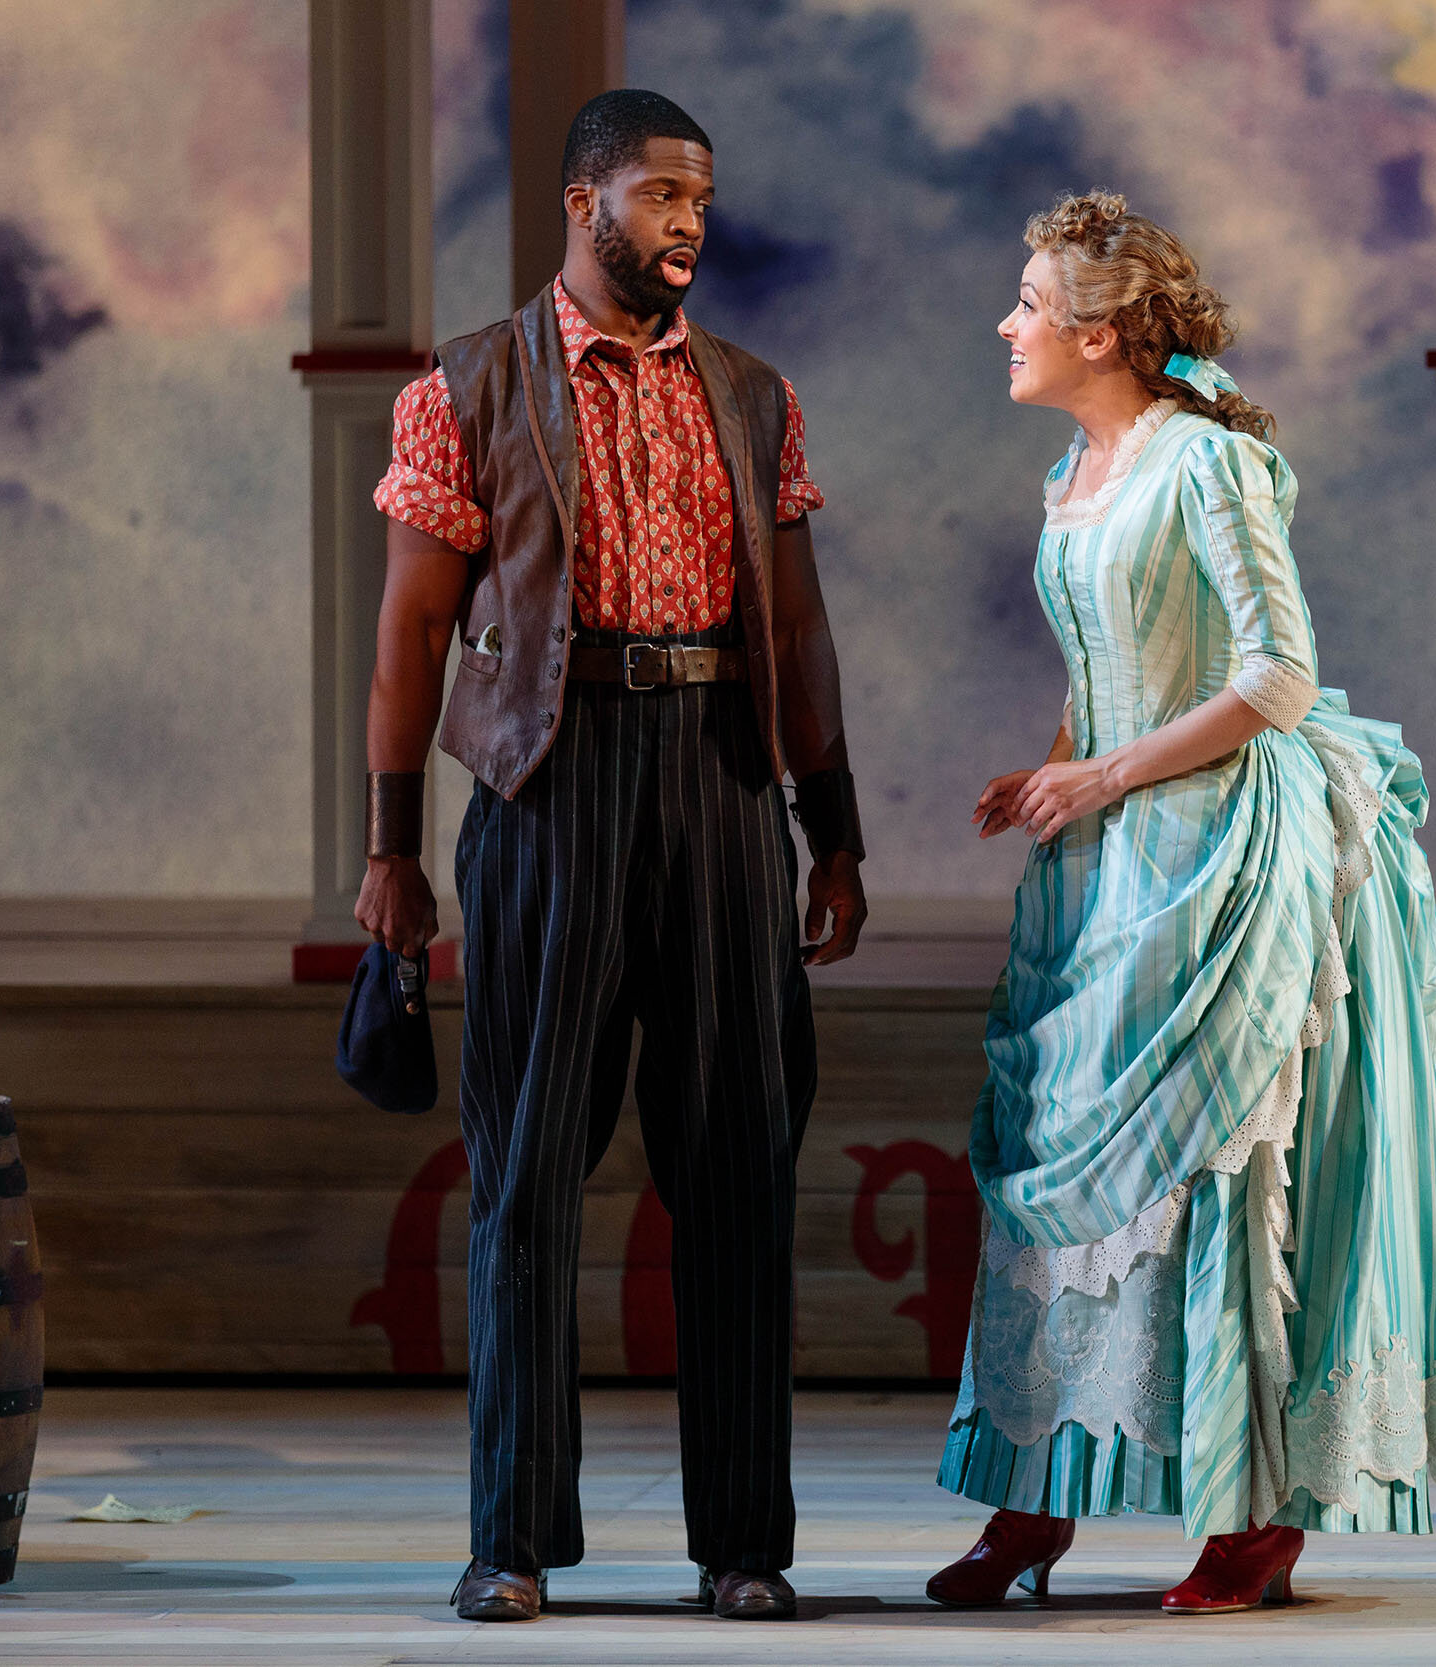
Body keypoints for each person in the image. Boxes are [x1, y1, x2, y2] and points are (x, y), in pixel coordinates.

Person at [927, 191, 1436, 1616]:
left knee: (1208, 1174)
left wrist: (1108, 773)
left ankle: (1249, 1515)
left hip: (1214, 849)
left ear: (1098, 331)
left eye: (1030, 304)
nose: (1009, 324)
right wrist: (1055, 764)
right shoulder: (1079, 470)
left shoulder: (1203, 465)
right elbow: (1119, 657)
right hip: (1105, 853)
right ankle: (1036, 1493)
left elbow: (1276, 677)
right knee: (1065, 1165)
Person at [354, 89, 866, 1625]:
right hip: (548, 775)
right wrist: (389, 852)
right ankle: (510, 1538)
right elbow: (411, 630)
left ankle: (744, 1544)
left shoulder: (755, 394)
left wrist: (829, 836)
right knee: (522, 1170)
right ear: (585, 204)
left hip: (718, 783)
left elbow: (794, 629)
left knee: (736, 1165)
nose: (689, 220)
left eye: (702, 194)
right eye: (659, 194)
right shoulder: (466, 387)